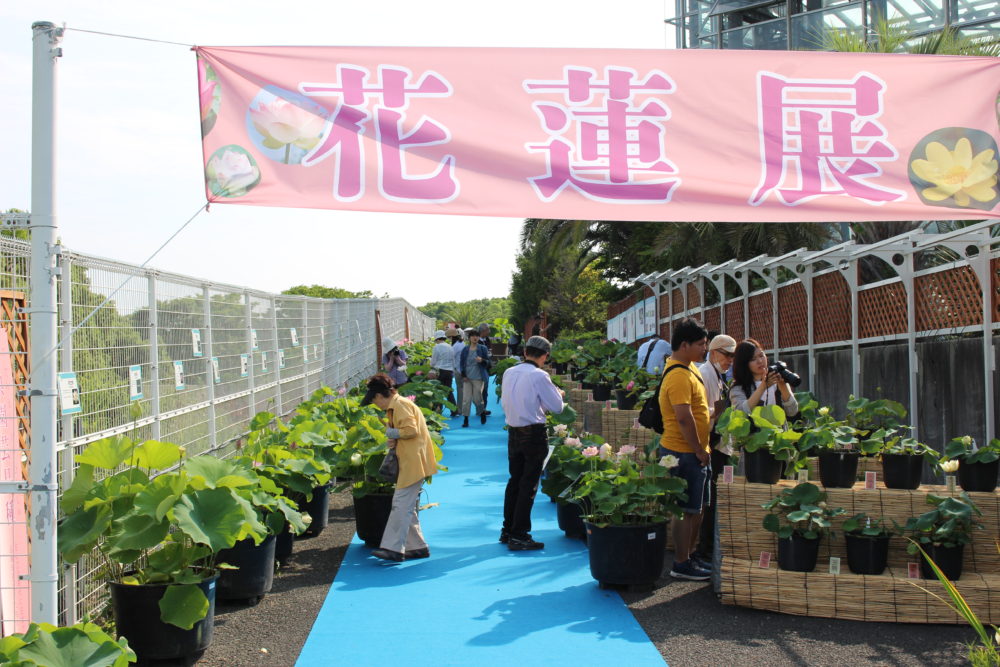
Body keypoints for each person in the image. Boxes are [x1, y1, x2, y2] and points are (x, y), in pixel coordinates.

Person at [361, 373, 438, 562]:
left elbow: (412, 430)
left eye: (374, 401)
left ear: (379, 396)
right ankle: (417, 547)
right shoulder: (398, 405)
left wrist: (391, 432)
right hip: (411, 461)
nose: (376, 405)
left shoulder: (400, 405)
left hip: (413, 463)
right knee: (407, 506)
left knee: (400, 505)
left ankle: (393, 548)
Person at [657, 318, 712, 582]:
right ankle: (681, 562)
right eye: (701, 344)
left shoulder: (690, 368)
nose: (705, 348)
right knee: (684, 509)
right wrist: (699, 449)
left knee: (695, 509)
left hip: (694, 451)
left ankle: (689, 556)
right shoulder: (678, 374)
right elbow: (683, 418)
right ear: (684, 344)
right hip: (683, 452)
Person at [500, 335, 565, 550]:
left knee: (514, 481)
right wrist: (559, 393)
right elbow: (557, 407)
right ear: (545, 356)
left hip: (514, 432)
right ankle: (520, 534)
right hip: (534, 434)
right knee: (528, 484)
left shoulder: (509, 372)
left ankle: (508, 529)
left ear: (525, 352)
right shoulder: (540, 375)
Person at [695, 334, 737, 562]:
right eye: (727, 354)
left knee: (710, 497)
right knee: (707, 499)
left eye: (733, 356)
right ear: (713, 352)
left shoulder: (717, 375)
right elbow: (701, 414)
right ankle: (703, 549)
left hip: (717, 440)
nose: (730, 360)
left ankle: (705, 547)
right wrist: (719, 413)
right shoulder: (705, 374)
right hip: (710, 441)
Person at [729, 339, 799, 417]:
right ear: (744, 364)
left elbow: (792, 412)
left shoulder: (775, 377)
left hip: (778, 429)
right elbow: (741, 413)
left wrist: (782, 386)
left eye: (761, 355)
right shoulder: (738, 387)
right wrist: (763, 387)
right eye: (753, 359)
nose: (760, 361)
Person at [457, 330, 490, 427]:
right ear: (469, 338)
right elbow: (461, 363)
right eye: (473, 336)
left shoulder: (482, 348)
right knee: (466, 399)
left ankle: (482, 412)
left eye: (477, 336)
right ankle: (466, 419)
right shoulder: (465, 349)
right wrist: (463, 375)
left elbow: (488, 363)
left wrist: (482, 360)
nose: (475, 338)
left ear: (479, 337)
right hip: (467, 378)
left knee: (477, 399)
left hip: (479, 377)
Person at [428, 330, 456, 415]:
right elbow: (453, 361)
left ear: (437, 339)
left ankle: (438, 410)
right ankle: (454, 410)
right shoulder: (450, 347)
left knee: (438, 391)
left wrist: (430, 366)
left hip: (440, 371)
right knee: (448, 390)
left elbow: (433, 362)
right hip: (449, 371)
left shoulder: (437, 347)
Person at [477, 323, 494, 414]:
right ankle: (480, 408)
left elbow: (489, 351)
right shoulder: (476, 341)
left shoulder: (487, 340)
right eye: (488, 330)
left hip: (486, 367)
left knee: (485, 390)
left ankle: (483, 409)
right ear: (483, 331)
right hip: (479, 368)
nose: (489, 332)